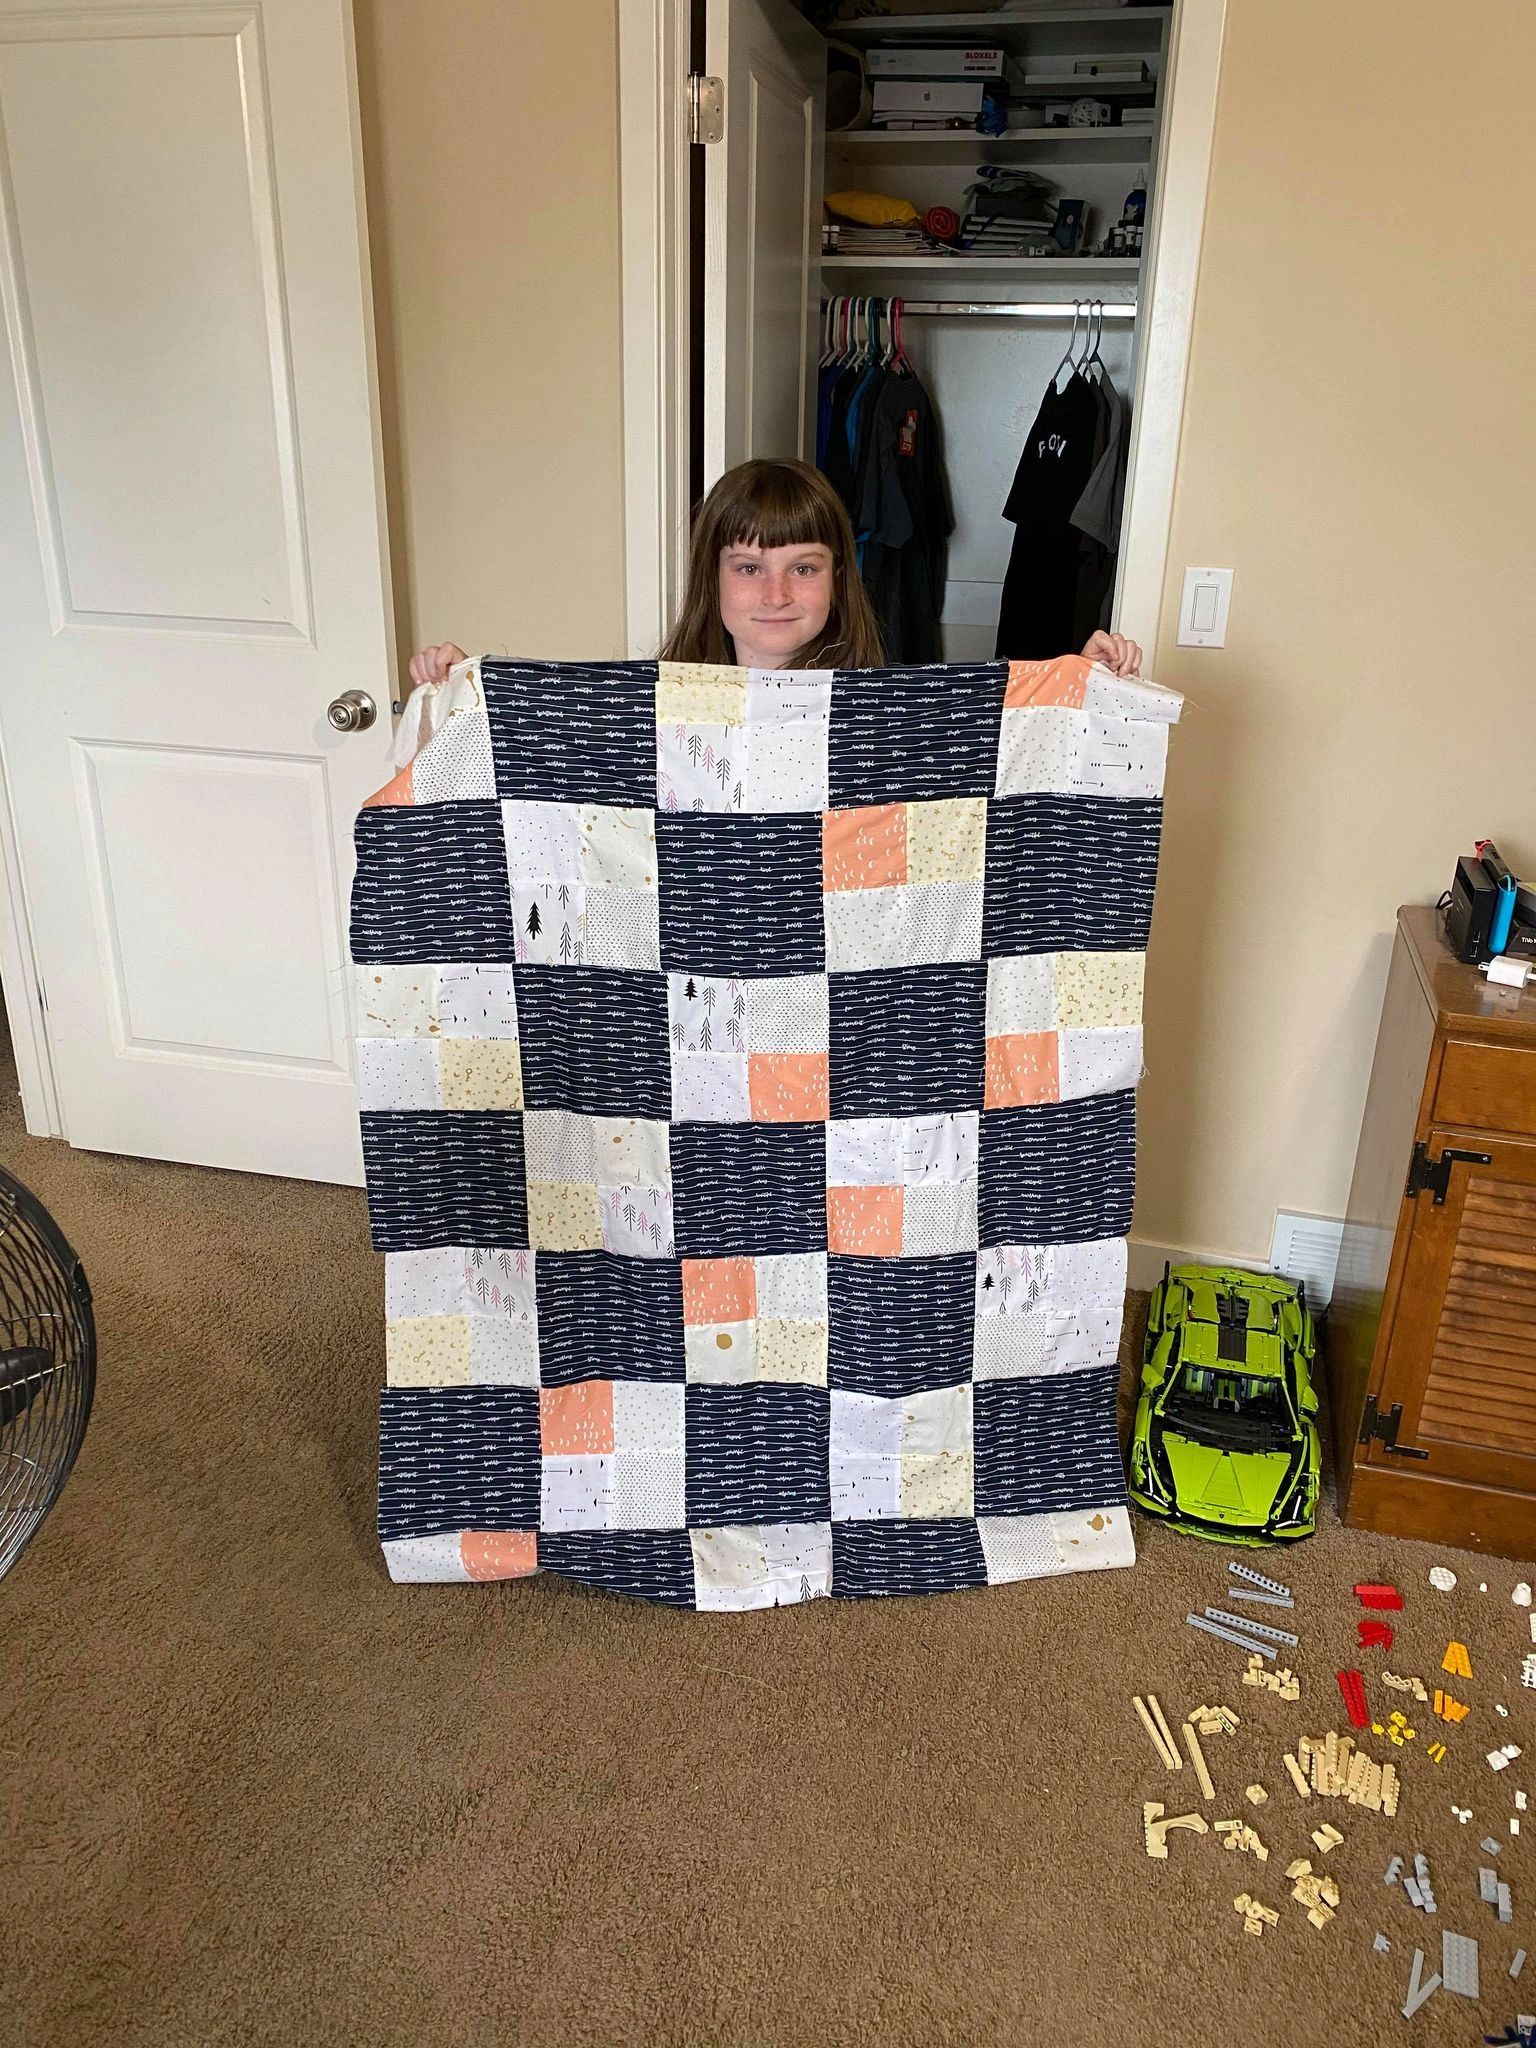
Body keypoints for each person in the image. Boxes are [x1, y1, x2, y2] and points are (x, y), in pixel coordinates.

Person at [407, 457, 1141, 690]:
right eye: (749, 566)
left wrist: (1082, 686)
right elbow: (552, 776)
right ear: (713, 579)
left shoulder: (882, 711)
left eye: (804, 567)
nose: (777, 594)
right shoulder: (657, 702)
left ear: (839, 578)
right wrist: (463, 693)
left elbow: (1001, 771)